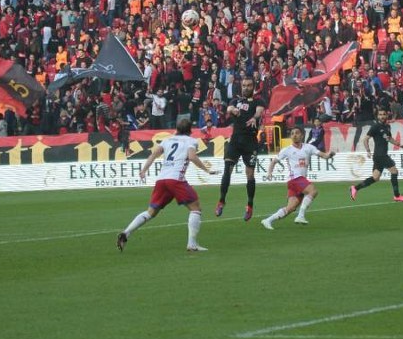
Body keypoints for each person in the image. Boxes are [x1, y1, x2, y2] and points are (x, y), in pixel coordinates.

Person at [116, 118, 218, 253]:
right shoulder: (191, 141)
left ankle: (126, 233)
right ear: (190, 130)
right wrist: (207, 170)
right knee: (195, 208)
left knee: (150, 212)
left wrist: (143, 170)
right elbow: (192, 157)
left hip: (162, 180)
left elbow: (153, 155)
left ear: (176, 129)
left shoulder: (167, 140)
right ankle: (192, 244)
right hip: (176, 179)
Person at [261, 127, 336, 229]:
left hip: (298, 182)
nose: (294, 135)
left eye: (297, 133)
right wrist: (269, 172)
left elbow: (324, 155)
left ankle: (268, 220)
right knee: (313, 191)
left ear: (302, 135)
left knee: (291, 208)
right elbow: (273, 161)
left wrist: (330, 155)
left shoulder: (309, 147)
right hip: (295, 179)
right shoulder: (287, 150)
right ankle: (300, 216)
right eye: (292, 133)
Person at [216, 76, 265, 221]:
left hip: (250, 142)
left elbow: (259, 111)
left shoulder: (258, 101)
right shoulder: (235, 100)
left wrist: (254, 118)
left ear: (253, 87)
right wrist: (233, 110)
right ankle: (221, 201)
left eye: (249, 85)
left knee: (250, 175)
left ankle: (249, 205)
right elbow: (229, 108)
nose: (246, 87)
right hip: (236, 140)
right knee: (227, 170)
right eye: (244, 85)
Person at [350, 108, 403, 202]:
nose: (382, 116)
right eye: (380, 114)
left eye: (383, 114)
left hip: (378, 156)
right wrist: (368, 150)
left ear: (386, 116)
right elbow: (365, 139)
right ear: (378, 116)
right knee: (394, 171)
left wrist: (399, 144)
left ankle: (355, 188)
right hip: (380, 155)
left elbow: (389, 138)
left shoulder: (387, 126)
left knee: (375, 177)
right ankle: (397, 196)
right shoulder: (375, 127)